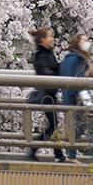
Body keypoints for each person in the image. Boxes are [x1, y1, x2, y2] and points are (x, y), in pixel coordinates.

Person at [27, 27, 66, 162]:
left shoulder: (48, 53)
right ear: (43, 39)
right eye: (50, 36)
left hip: (51, 93)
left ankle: (56, 154)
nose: (52, 39)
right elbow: (47, 73)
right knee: (53, 125)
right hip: (46, 94)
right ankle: (38, 150)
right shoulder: (41, 56)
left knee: (53, 125)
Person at [59, 33, 93, 156]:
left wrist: (92, 72)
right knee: (87, 126)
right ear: (78, 43)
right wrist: (88, 73)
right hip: (75, 99)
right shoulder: (74, 60)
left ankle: (73, 155)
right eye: (85, 41)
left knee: (80, 128)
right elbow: (76, 79)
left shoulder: (76, 59)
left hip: (76, 99)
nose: (87, 43)